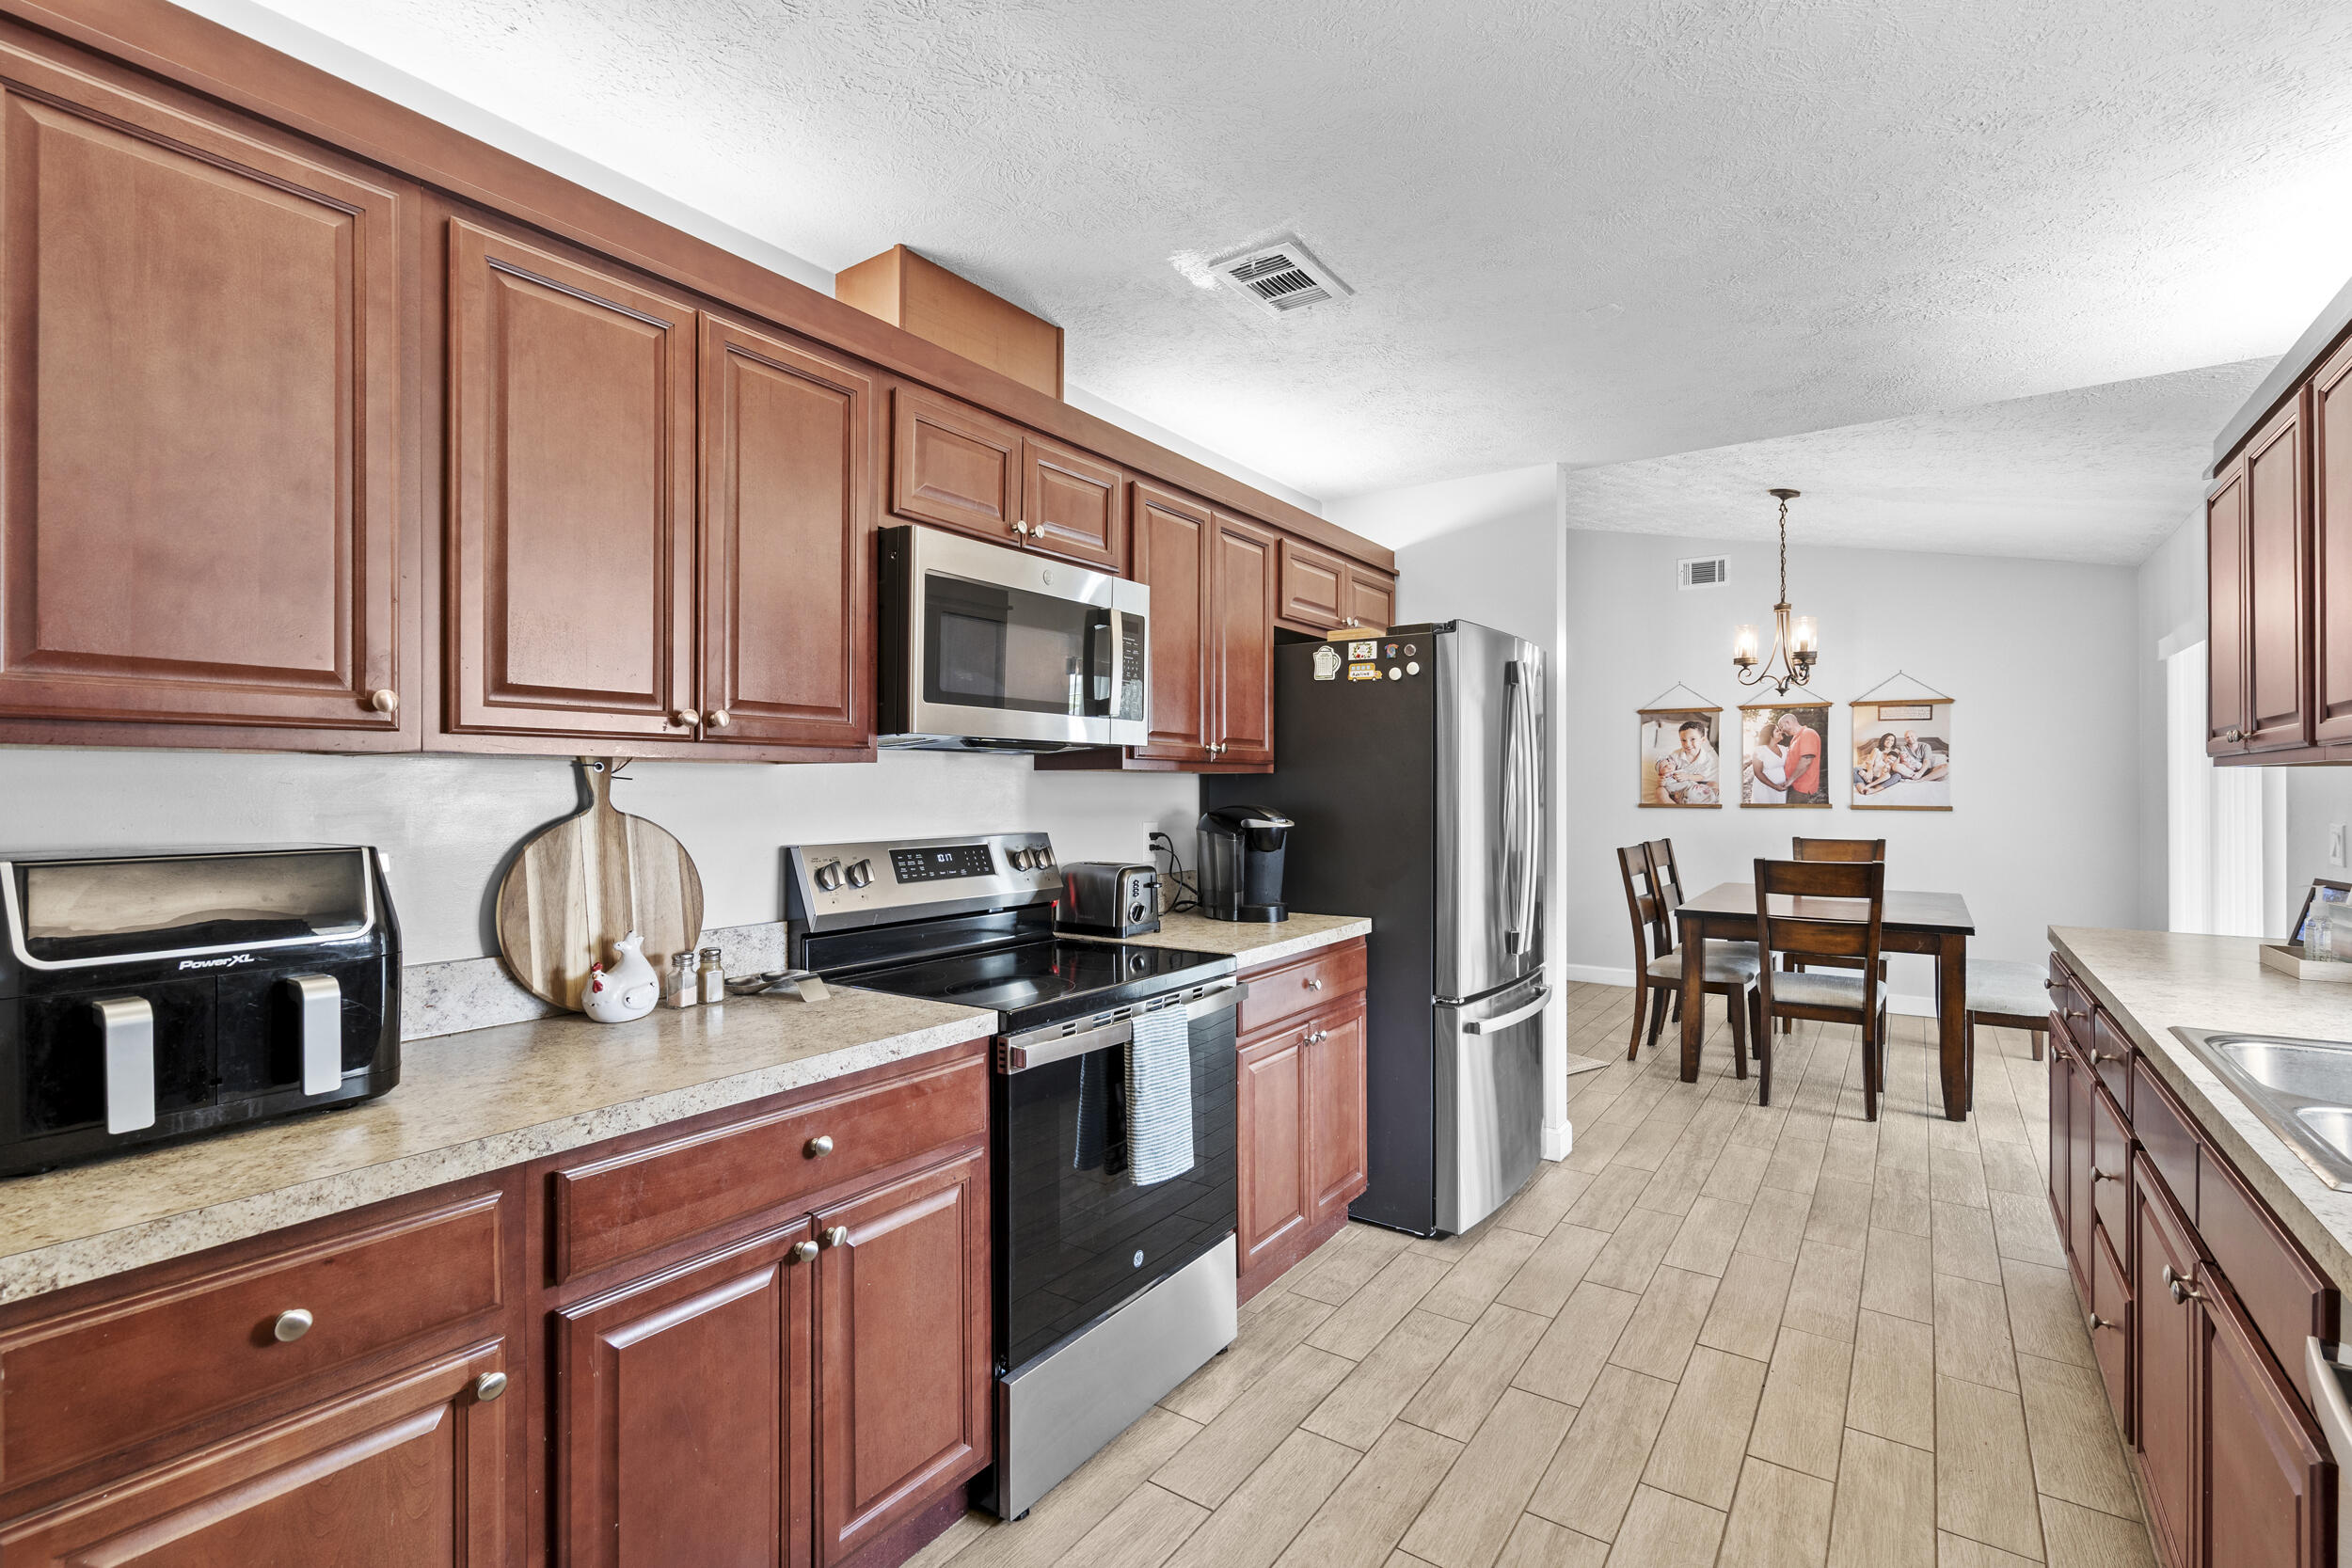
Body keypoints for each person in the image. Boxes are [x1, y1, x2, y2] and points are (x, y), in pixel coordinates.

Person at [1749, 710, 1823, 802]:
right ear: (1770, 736)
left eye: (1781, 727)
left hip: (1800, 786)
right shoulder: (1795, 739)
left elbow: (1806, 760)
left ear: (1787, 723)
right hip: (1785, 787)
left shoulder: (1807, 733)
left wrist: (1790, 780)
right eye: (1778, 730)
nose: (1781, 731)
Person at [1656, 719, 1719, 804]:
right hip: (1678, 785)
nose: (1687, 744)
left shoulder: (1707, 759)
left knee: (1714, 784)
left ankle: (1708, 799)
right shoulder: (1676, 755)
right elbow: (1667, 770)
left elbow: (1701, 777)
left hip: (1697, 782)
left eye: (1692, 739)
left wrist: (1688, 776)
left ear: (1703, 740)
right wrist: (1662, 780)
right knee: (1660, 790)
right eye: (1683, 740)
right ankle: (1672, 805)